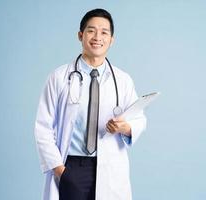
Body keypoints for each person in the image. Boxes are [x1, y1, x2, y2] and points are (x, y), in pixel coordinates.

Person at [34, 8, 146, 200]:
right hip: (71, 166)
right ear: (80, 35)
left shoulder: (123, 80)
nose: (97, 37)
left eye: (104, 32)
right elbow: (43, 128)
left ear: (111, 40)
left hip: (110, 166)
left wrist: (126, 127)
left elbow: (139, 119)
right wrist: (61, 171)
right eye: (91, 30)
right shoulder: (59, 78)